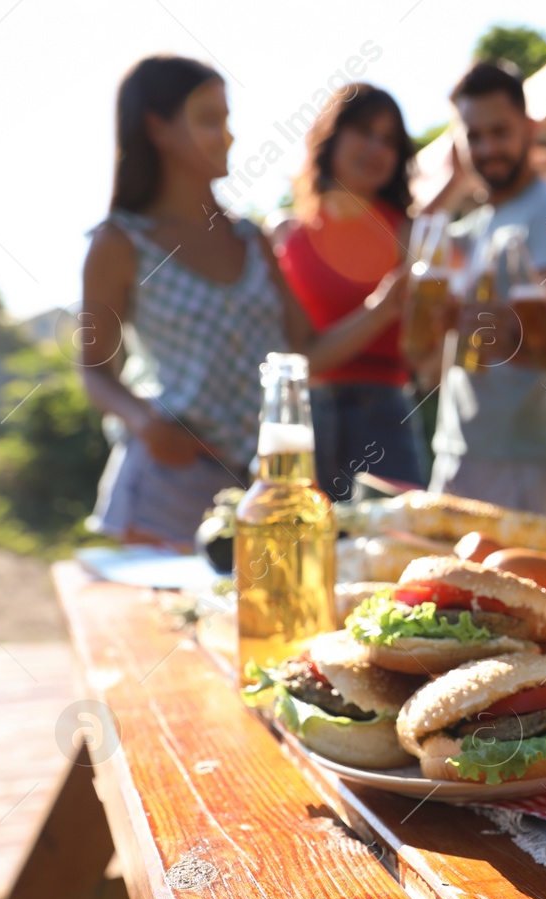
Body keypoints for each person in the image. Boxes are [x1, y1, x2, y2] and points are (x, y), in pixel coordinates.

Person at [80, 56, 406, 549]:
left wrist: (385, 305)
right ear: (158, 129)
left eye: (226, 119)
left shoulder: (252, 239)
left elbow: (304, 356)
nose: (227, 136)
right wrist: (143, 421)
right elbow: (93, 369)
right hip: (169, 481)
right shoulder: (118, 243)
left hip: (259, 486)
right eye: (209, 119)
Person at [422, 61, 546, 517]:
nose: (487, 147)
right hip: (461, 444)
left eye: (500, 131)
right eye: (473, 136)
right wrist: (453, 183)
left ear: (530, 130)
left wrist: (472, 323)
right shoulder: (479, 223)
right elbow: (404, 250)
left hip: (521, 453)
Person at [276, 83, 427, 501]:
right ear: (330, 134)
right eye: (364, 131)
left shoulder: (411, 234)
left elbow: (425, 359)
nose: (377, 149)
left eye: (389, 140)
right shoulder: (285, 237)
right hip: (305, 419)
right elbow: (298, 359)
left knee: (396, 554)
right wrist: (380, 311)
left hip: (387, 416)